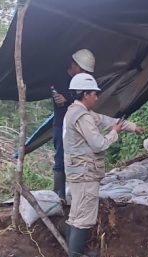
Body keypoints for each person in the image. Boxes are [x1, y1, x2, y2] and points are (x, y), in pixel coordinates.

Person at [62, 73, 144, 257]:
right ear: (85, 94)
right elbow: (98, 144)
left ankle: (76, 252)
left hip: (79, 171)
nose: (97, 98)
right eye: (94, 94)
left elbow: (107, 120)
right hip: (85, 172)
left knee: (76, 213)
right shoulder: (82, 116)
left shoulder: (78, 112)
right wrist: (114, 132)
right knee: (85, 216)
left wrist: (132, 127)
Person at [51, 49, 96, 202]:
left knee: (81, 157)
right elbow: (60, 98)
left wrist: (69, 99)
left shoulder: (85, 81)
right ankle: (59, 195)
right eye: (82, 69)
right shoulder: (58, 77)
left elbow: (86, 101)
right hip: (61, 124)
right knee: (60, 159)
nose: (83, 73)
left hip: (78, 124)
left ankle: (78, 193)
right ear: (74, 64)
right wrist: (63, 99)